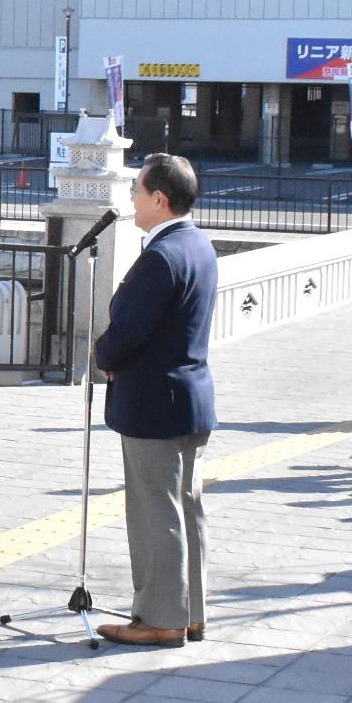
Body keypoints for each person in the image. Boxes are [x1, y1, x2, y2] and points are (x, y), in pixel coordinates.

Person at [93, 153, 218, 650]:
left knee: (155, 513)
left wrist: (103, 355)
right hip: (190, 397)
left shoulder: (160, 256)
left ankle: (161, 618)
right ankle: (191, 614)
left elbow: (126, 333)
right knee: (187, 507)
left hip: (153, 401)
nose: (132, 199)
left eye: (137, 191)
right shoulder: (199, 245)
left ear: (159, 199)